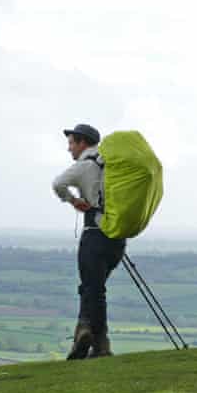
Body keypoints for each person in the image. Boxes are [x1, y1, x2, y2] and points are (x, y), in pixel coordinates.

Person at [52, 124, 126, 360]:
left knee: (93, 289)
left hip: (94, 233)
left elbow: (58, 184)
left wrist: (72, 200)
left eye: (72, 142)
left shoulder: (84, 166)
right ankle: (91, 337)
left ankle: (94, 337)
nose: (69, 148)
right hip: (117, 236)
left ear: (83, 143)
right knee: (93, 288)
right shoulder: (114, 165)